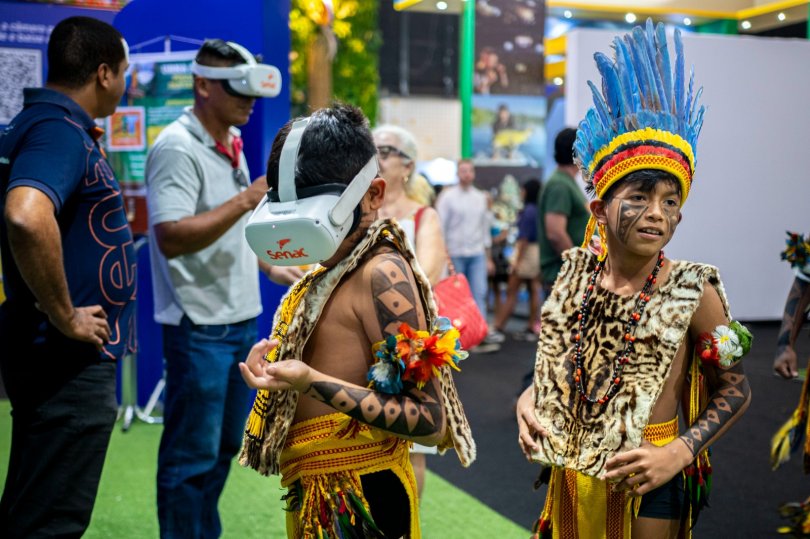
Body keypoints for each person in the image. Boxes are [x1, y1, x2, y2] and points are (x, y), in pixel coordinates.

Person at [516, 20, 752, 538]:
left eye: (671, 201)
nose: (656, 214)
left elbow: (735, 389)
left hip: (648, 475)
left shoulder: (695, 289)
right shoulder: (575, 277)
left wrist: (679, 452)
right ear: (600, 209)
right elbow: (552, 368)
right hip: (570, 474)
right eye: (640, 197)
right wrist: (526, 401)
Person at [238, 104, 475, 538]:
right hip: (315, 491)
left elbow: (428, 418)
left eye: (315, 204)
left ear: (373, 194)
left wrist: (310, 381)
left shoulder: (382, 273)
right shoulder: (328, 270)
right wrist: (281, 371)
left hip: (365, 497)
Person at [145, 39, 300, 538]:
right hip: (199, 327)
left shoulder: (228, 143)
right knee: (190, 458)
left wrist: (274, 269)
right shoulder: (176, 146)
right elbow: (170, 237)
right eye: (238, 89)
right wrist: (244, 200)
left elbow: (228, 235)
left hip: (236, 323)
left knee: (217, 452)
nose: (249, 102)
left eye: (253, 90)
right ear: (203, 85)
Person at [0, 17, 134, 537]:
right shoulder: (57, 130)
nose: (126, 85)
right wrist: (65, 315)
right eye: (124, 73)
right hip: (64, 360)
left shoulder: (43, 124)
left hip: (51, 356)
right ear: (103, 73)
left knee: (31, 506)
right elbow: (25, 214)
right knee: (50, 521)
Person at [373, 124, 448, 498]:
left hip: (407, 346)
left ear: (408, 166)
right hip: (357, 342)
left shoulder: (424, 216)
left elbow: (427, 276)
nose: (375, 157)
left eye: (384, 150)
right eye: (370, 149)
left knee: (411, 448)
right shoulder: (350, 213)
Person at [435, 159, 501, 345]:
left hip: (477, 253)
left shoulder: (480, 198)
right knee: (456, 296)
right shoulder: (447, 198)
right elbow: (440, 227)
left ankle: (479, 333)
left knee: (479, 292)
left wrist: (488, 258)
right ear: (457, 173)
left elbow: (484, 229)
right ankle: (458, 335)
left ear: (473, 173)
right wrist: (442, 255)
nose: (467, 174)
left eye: (470, 170)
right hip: (454, 253)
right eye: (463, 171)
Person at [537, 127, 590, 298]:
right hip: (563, 277)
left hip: (568, 277)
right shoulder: (559, 185)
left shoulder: (565, 182)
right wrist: (578, 266)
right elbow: (555, 234)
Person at [492, 178, 542, 341]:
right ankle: (532, 326)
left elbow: (523, 239)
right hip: (536, 252)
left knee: (512, 290)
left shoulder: (528, 211)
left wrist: (516, 261)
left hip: (526, 253)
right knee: (533, 289)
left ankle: (498, 326)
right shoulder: (538, 210)